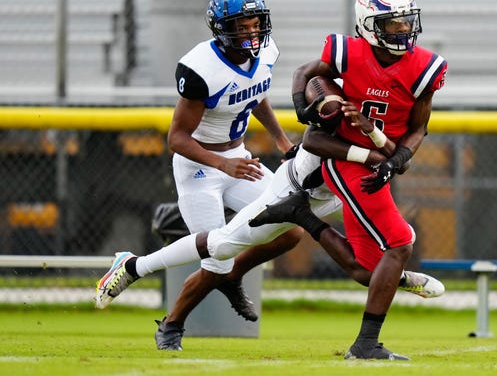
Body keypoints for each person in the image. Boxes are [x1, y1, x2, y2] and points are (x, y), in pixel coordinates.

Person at [95, 124, 445, 350]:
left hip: (335, 193)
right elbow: (314, 132)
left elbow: (409, 142)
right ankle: (134, 266)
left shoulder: (385, 100)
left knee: (373, 261)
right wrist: (370, 151)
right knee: (219, 247)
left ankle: (397, 276)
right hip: (292, 191)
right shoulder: (337, 96)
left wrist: (390, 150)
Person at [99, 0, 304, 348]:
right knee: (216, 256)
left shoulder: (266, 52)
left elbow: (255, 94)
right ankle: (171, 323)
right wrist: (222, 166)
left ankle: (231, 278)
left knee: (291, 230)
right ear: (222, 29)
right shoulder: (201, 68)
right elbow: (177, 138)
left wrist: (280, 139)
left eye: (254, 23)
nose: (251, 32)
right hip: (200, 167)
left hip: (238, 158)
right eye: (241, 26)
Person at [261, 0, 448, 361]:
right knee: (400, 245)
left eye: (405, 21)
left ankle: (303, 216)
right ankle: (365, 345)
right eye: (392, 23)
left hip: (381, 156)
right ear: (368, 24)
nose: (402, 30)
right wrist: (308, 104)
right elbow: (308, 73)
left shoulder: (425, 68)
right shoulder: (349, 52)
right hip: (348, 160)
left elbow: (418, 129)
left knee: (370, 270)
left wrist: (393, 161)